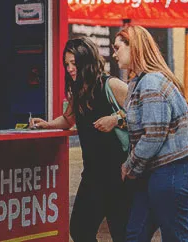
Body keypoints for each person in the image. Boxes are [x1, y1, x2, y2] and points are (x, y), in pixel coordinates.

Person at [30, 37, 130, 242]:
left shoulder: (111, 84)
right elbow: (68, 119)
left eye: (74, 63)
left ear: (87, 61)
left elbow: (142, 112)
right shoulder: (78, 90)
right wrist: (48, 124)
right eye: (67, 64)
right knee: (80, 230)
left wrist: (115, 118)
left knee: (123, 235)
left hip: (119, 174)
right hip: (93, 174)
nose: (69, 69)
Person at [113, 25, 188, 242]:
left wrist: (130, 166)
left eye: (117, 48)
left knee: (175, 237)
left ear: (133, 47)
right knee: (135, 235)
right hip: (156, 173)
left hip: (171, 172)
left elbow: (153, 135)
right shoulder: (140, 81)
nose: (114, 54)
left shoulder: (151, 83)